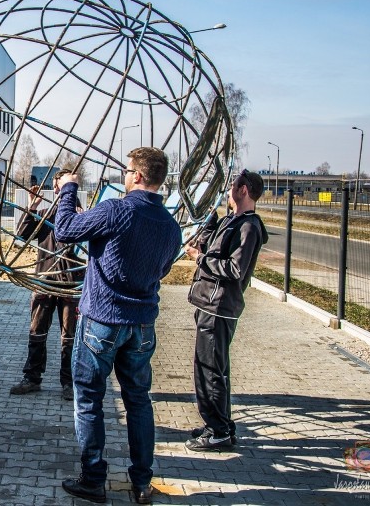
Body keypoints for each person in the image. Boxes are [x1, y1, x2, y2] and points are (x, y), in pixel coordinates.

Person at [54, 148, 182, 505]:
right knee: (138, 401)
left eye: (127, 171)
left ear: (138, 176)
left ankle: (93, 479)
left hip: (103, 322)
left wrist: (68, 189)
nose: (124, 176)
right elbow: (160, 269)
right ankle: (142, 483)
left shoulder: (116, 210)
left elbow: (64, 230)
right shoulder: (171, 227)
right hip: (141, 327)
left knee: (90, 399)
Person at [183, 169, 267, 451]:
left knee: (209, 371)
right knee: (213, 368)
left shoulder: (248, 226)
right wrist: (209, 219)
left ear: (243, 190)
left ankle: (217, 431)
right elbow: (207, 243)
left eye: (233, 186)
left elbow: (234, 268)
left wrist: (200, 259)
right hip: (209, 302)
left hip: (219, 306)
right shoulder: (232, 221)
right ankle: (219, 425)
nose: (228, 190)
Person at [10, 169, 84, 401]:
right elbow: (21, 235)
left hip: (71, 286)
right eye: (57, 185)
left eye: (63, 185)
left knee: (69, 337)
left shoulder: (83, 216)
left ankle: (69, 382)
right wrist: (32, 207)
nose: (59, 190)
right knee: (37, 332)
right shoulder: (44, 215)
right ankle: (32, 377)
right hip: (44, 282)